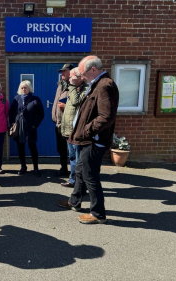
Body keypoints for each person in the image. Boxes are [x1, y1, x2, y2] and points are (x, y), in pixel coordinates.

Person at [57, 56, 119, 224]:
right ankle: (75, 202)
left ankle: (98, 213)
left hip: (94, 140)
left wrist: (86, 131)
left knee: (90, 175)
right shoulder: (97, 84)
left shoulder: (105, 85)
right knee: (80, 171)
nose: (81, 77)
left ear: (93, 70)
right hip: (88, 139)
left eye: (83, 73)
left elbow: (106, 117)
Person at [9, 80, 44, 177]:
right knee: (20, 147)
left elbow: (41, 114)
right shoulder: (16, 99)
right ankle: (23, 166)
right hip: (19, 127)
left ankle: (36, 168)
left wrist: (34, 125)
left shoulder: (35, 99)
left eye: (25, 87)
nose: (23, 89)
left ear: (29, 88)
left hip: (30, 127)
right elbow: (11, 112)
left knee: (32, 147)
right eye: (22, 88)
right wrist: (12, 123)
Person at [60, 67, 88, 188]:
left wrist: (71, 86)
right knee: (72, 157)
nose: (70, 79)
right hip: (68, 129)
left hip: (76, 130)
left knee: (78, 158)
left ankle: (80, 183)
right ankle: (73, 180)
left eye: (72, 77)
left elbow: (76, 101)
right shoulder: (73, 88)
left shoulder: (86, 89)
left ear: (81, 77)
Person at [52, 63, 74, 176]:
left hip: (69, 124)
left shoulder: (74, 86)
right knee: (61, 148)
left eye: (65, 71)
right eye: (62, 71)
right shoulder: (60, 85)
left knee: (71, 150)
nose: (62, 73)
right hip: (58, 123)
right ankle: (64, 168)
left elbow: (78, 106)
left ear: (71, 72)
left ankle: (74, 173)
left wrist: (65, 107)